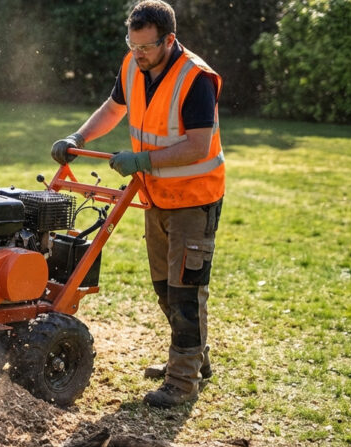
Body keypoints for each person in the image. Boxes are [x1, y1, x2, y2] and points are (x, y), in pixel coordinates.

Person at [50, 0, 224, 408]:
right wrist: (79, 138)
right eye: (132, 44)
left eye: (146, 47)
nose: (138, 53)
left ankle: (182, 382)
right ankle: (196, 358)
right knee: (165, 288)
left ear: (169, 40)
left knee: (185, 292)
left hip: (194, 200)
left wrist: (142, 160)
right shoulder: (133, 66)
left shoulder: (194, 78)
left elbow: (198, 146)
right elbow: (114, 108)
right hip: (155, 196)